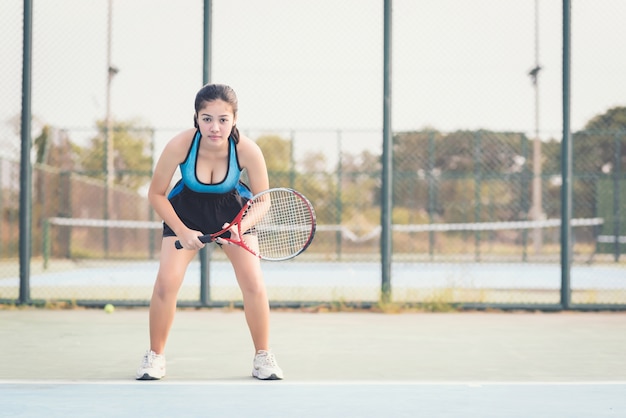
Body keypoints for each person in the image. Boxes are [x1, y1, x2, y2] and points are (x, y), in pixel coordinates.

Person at [135, 84, 283, 381]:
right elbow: (156, 194)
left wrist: (239, 228)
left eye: (223, 119)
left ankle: (263, 357)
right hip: (186, 210)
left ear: (234, 119)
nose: (215, 127)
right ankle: (155, 356)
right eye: (207, 118)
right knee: (166, 283)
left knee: (253, 284)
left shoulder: (247, 150)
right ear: (197, 117)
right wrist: (182, 230)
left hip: (234, 213)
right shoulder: (180, 145)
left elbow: (264, 200)